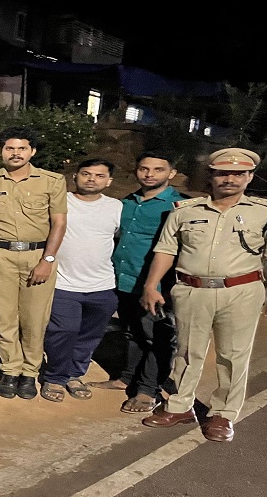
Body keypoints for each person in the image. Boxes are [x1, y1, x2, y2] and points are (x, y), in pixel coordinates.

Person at [140, 148, 267, 442]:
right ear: (211, 176)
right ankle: (180, 405)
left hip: (242, 291)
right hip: (191, 290)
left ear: (249, 177)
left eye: (238, 174)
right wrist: (151, 285)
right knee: (186, 351)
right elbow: (166, 250)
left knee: (233, 355)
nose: (230, 179)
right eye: (222, 173)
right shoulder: (185, 210)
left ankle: (223, 414)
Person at [0, 127, 68, 400]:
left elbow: (59, 223)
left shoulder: (51, 181)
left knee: (35, 319)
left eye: (22, 148)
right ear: (2, 151)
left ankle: (30, 373)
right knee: (6, 317)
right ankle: (10, 370)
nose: (16, 153)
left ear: (32, 152)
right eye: (10, 148)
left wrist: (47, 259)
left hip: (38, 256)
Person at [88, 152, 184, 414]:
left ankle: (147, 390)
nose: (149, 174)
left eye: (158, 169)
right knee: (132, 332)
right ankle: (126, 378)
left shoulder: (179, 206)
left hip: (155, 285)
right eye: (144, 169)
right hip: (123, 279)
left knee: (158, 337)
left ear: (171, 174)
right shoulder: (126, 203)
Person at [39, 160, 122, 402]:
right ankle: (54, 377)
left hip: (103, 285)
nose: (91, 179)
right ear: (75, 176)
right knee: (63, 330)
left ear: (108, 181)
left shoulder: (116, 207)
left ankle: (74, 374)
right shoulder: (59, 201)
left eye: (99, 175)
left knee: (90, 335)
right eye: (86, 174)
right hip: (63, 282)